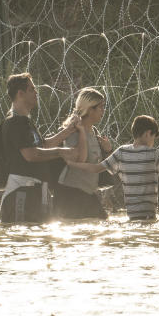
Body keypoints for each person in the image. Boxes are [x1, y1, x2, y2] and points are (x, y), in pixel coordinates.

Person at [67, 114, 159, 221]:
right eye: (153, 137)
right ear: (147, 133)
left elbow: (96, 168)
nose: (153, 142)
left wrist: (73, 164)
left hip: (131, 214)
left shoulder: (122, 151)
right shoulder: (154, 154)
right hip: (149, 214)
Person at [0, 72, 81, 225]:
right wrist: (62, 152)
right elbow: (31, 154)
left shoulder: (26, 122)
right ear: (20, 94)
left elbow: (43, 145)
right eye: (32, 89)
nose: (36, 92)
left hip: (35, 191)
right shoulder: (15, 122)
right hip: (21, 192)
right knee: (23, 240)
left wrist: (68, 130)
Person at [53, 87, 111, 220]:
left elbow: (101, 165)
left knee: (101, 223)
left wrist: (108, 150)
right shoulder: (72, 130)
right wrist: (81, 132)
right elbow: (80, 159)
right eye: (100, 107)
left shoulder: (94, 131)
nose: (103, 111)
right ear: (90, 109)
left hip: (87, 191)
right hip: (71, 191)